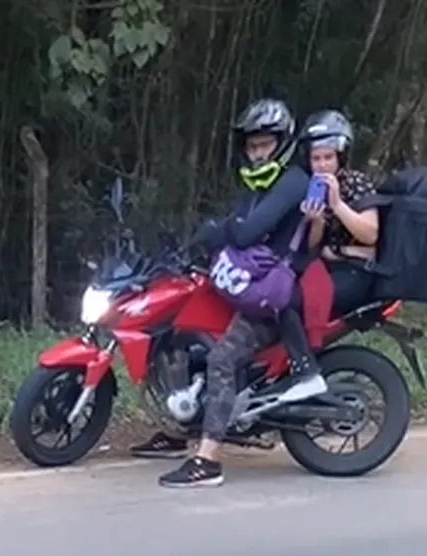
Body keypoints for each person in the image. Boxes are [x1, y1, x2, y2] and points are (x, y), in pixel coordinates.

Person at [134, 98, 325, 490]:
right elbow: (233, 224)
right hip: (253, 284)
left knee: (222, 358)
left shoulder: (292, 182)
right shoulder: (259, 185)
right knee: (193, 341)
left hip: (273, 297)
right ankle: (184, 428)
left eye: (264, 145)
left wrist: (221, 232)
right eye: (252, 146)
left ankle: (208, 461)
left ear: (283, 143)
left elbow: (245, 232)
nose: (256, 153)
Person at [300, 109, 380, 316]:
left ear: (340, 157)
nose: (323, 165)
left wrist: (337, 205)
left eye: (329, 157)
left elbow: (371, 233)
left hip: (354, 270)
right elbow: (311, 247)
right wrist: (315, 221)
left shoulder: (356, 183)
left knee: (302, 301)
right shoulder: (310, 188)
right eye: (316, 159)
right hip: (322, 267)